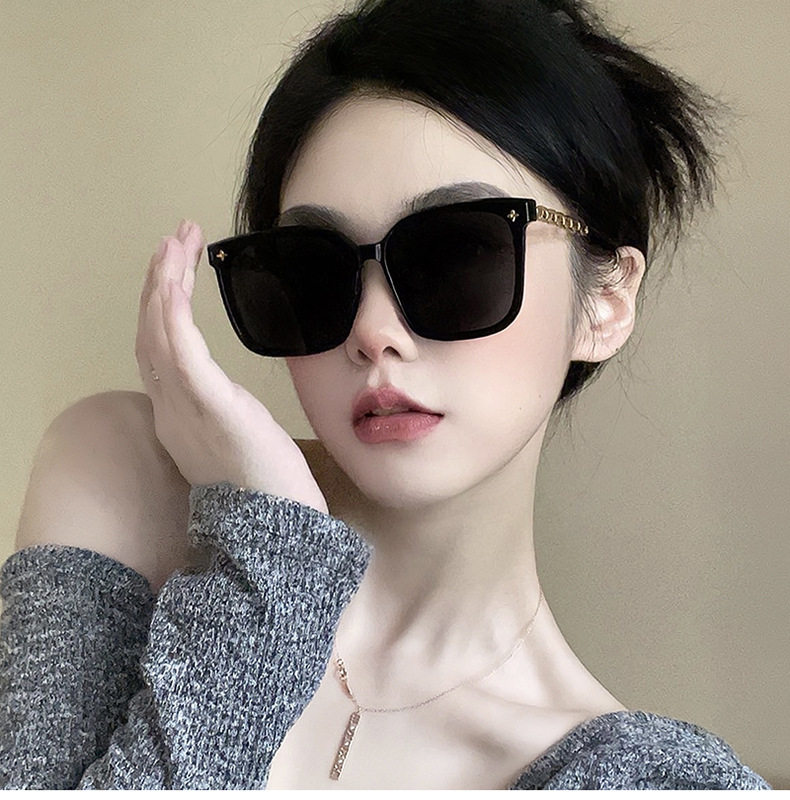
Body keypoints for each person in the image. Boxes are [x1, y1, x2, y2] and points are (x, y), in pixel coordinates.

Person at [0, 0, 773, 789]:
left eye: (455, 255)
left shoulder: (652, 780)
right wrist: (274, 553)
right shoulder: (124, 480)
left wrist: (280, 562)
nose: (374, 331)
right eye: (315, 269)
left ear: (604, 302)